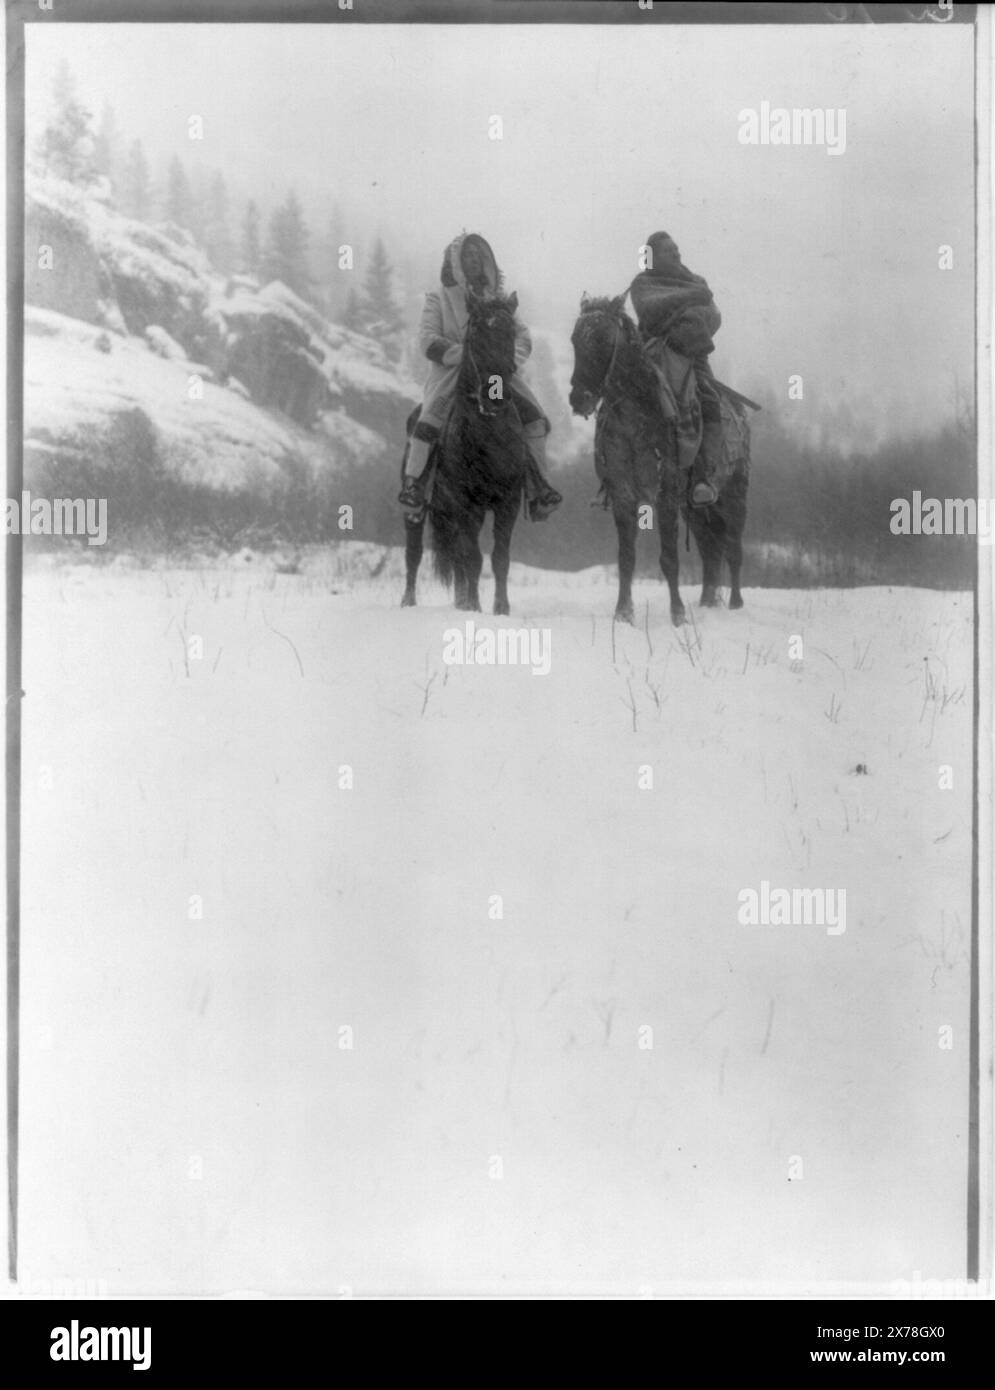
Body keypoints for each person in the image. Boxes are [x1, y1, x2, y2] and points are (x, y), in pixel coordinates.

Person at [398, 233, 562, 520]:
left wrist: (504, 360)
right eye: (468, 255)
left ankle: (539, 490)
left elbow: (522, 337)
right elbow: (427, 341)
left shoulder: (497, 300)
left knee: (534, 419)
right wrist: (469, 355)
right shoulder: (437, 298)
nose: (474, 260)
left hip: (497, 378)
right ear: (456, 262)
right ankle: (415, 486)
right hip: (452, 377)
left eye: (479, 255)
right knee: (428, 421)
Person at [629, 231, 723, 506]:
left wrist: (690, 322)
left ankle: (704, 478)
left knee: (710, 400)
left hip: (692, 356)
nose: (677, 254)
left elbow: (714, 317)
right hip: (653, 355)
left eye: (677, 249)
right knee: (621, 403)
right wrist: (689, 303)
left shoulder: (696, 280)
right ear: (653, 257)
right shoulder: (643, 283)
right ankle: (617, 477)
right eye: (670, 251)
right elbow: (648, 309)